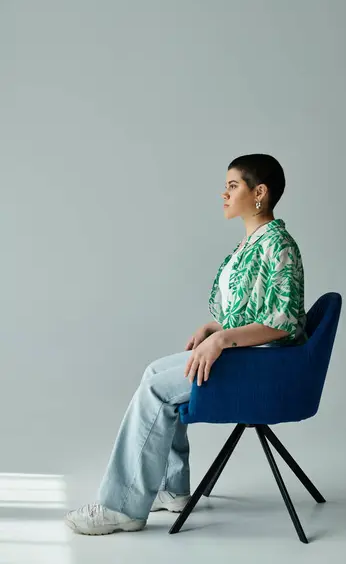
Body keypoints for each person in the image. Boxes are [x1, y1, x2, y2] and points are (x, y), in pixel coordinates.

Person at [64, 153, 307, 535]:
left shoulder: (279, 245)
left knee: (159, 389)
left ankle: (122, 506)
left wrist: (224, 339)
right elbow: (252, 310)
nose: (223, 194)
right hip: (246, 355)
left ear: (259, 192)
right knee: (155, 371)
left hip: (262, 367)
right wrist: (215, 327)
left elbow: (285, 320)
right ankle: (173, 489)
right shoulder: (253, 243)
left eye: (232, 186)